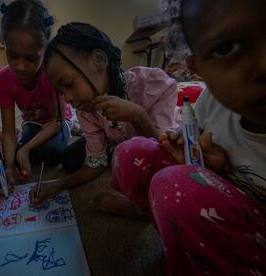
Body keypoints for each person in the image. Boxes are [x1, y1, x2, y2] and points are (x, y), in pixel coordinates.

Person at [113, 0, 266, 274]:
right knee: (131, 153)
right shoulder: (212, 102)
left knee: (175, 187)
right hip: (237, 207)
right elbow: (208, 165)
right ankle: (156, 216)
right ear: (198, 68)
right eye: (226, 48)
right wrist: (216, 167)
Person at [29, 22, 177, 214]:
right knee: (71, 159)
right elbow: (96, 163)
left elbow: (168, 152)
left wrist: (137, 116)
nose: (68, 98)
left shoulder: (152, 86)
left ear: (99, 60)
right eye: (61, 91)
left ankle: (139, 207)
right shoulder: (85, 109)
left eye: (69, 84)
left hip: (152, 140)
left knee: (136, 159)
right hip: (114, 142)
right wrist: (57, 185)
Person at [0, 0, 71, 194]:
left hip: (58, 122)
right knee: (19, 151)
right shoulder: (4, 79)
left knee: (52, 152)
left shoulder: (51, 72)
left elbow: (57, 120)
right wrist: (9, 166)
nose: (20, 66)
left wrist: (26, 148)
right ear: (3, 44)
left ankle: (33, 145)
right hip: (32, 123)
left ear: (45, 49)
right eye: (12, 56)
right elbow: (9, 131)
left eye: (31, 58)